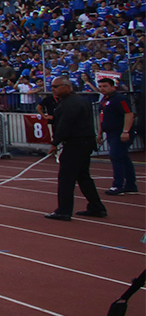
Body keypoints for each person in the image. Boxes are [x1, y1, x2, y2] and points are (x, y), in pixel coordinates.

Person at [45, 77, 107, 220]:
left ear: (67, 87)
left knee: (66, 178)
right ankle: (97, 207)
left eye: (56, 86)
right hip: (84, 142)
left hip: (76, 144)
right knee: (83, 176)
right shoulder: (77, 101)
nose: (53, 89)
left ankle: (64, 211)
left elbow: (65, 125)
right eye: (52, 87)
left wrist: (55, 143)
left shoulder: (70, 104)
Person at [97, 77, 137, 195]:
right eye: (100, 86)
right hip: (110, 132)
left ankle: (118, 185)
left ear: (113, 86)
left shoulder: (120, 98)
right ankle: (130, 185)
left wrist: (125, 131)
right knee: (123, 157)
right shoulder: (104, 100)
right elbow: (101, 117)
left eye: (105, 86)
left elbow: (128, 114)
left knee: (116, 156)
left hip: (119, 131)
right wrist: (100, 133)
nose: (102, 89)